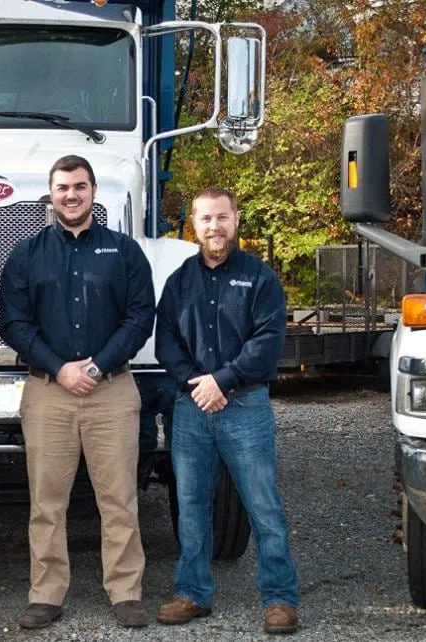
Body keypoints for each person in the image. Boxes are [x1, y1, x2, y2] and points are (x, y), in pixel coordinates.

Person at [0, 155, 156, 629]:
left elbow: (139, 316)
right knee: (47, 501)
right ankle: (46, 594)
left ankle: (126, 591)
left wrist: (98, 364)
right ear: (51, 194)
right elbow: (13, 323)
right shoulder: (26, 255)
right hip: (49, 391)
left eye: (80, 186)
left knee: (119, 499)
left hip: (112, 389)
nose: (71, 195)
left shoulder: (124, 251)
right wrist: (59, 368)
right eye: (63, 187)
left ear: (93, 193)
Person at [154, 186, 299, 635]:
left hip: (246, 406)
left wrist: (223, 380)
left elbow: (267, 343)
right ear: (194, 225)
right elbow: (167, 343)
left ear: (236, 220)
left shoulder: (260, 278)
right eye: (205, 220)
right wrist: (199, 385)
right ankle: (193, 593)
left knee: (263, 506)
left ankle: (280, 599)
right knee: (192, 505)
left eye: (221, 218)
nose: (213, 227)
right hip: (192, 407)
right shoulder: (180, 280)